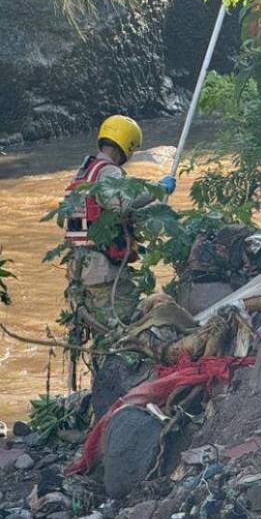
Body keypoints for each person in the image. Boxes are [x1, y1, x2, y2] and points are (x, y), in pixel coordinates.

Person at [61, 115, 175, 388]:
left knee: (101, 329)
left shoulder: (85, 169)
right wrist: (157, 189)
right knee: (122, 327)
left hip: (80, 267)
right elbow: (120, 204)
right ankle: (118, 386)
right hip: (102, 270)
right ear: (127, 146)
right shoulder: (109, 172)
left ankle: (101, 382)